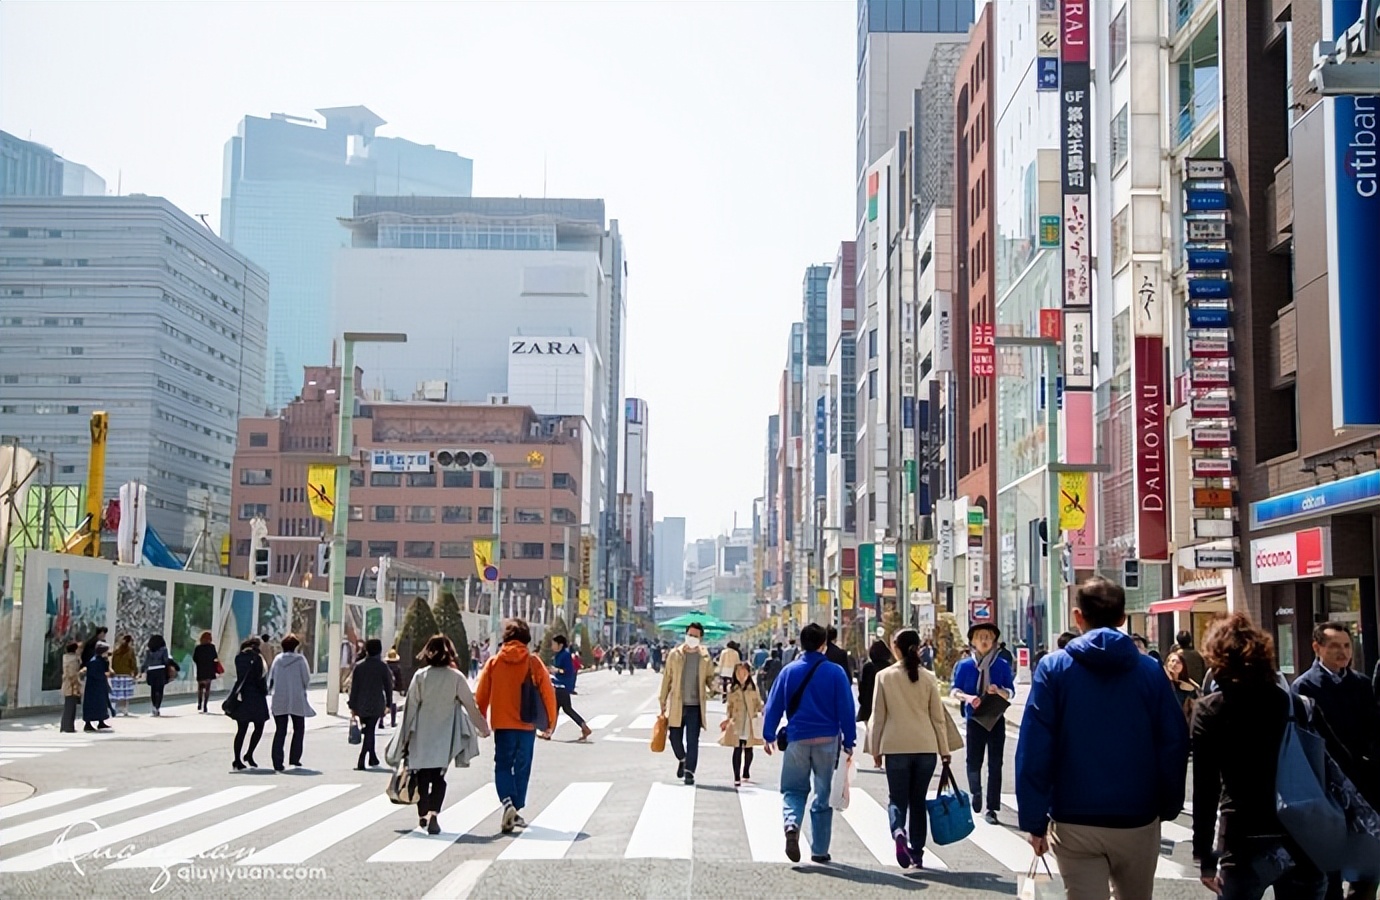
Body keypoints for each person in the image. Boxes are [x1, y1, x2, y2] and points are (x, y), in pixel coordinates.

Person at [1016, 576, 1189, 900]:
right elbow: (1173, 742)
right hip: (1137, 817)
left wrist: (1034, 820)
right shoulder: (1150, 671)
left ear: (1077, 616)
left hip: (1074, 818)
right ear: (1123, 619)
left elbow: (1035, 747)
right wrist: (1166, 806)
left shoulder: (1054, 669)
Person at [1192, 613, 1329, 900]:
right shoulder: (1292, 703)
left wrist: (1204, 855)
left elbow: (1206, 788)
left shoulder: (1210, 710)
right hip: (1301, 832)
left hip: (1244, 835)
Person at [1290, 621, 1380, 900]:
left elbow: (1374, 729)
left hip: (1363, 788)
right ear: (1317, 648)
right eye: (1334, 646)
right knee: (1329, 875)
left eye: (1346, 646)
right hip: (1325, 790)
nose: (1342, 652)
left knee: (1367, 871)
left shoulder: (1361, 684)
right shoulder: (1304, 687)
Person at [762, 622, 857, 864]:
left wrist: (769, 735)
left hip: (797, 739)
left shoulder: (789, 671)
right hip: (828, 740)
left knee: (793, 789)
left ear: (801, 644)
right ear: (824, 645)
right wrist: (849, 740)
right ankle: (819, 850)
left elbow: (773, 705)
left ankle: (792, 824)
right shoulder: (835, 672)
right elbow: (846, 709)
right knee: (822, 794)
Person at [866, 628, 952, 871]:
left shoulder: (884, 676)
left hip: (896, 747)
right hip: (926, 747)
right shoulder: (928, 677)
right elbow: (938, 719)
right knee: (918, 801)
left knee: (897, 799)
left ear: (896, 648)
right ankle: (917, 854)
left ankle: (898, 832)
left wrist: (875, 749)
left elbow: (878, 717)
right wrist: (944, 751)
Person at [390, 635, 489, 835]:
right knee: (438, 777)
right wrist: (483, 727)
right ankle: (434, 814)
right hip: (445, 738)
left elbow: (410, 709)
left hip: (421, 736)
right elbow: (471, 705)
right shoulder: (456, 677)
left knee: (422, 778)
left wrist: (404, 738)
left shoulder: (420, 676)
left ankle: (423, 816)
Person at [476, 618, 555, 834]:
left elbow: (481, 695)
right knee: (522, 766)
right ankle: (516, 806)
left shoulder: (493, 663)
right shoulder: (533, 662)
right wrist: (550, 723)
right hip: (527, 724)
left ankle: (508, 803)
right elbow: (548, 693)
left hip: (502, 725)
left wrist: (480, 720)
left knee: (502, 765)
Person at [950, 622, 1015, 824]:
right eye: (980, 637)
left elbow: (1011, 691)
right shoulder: (964, 665)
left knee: (996, 764)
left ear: (994, 641)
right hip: (974, 718)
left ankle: (992, 808)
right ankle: (975, 792)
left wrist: (1000, 691)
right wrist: (968, 698)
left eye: (988, 637)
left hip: (995, 717)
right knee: (973, 761)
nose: (985, 641)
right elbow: (954, 690)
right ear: (973, 642)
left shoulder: (1001, 664)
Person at [659, 622, 718, 785]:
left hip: (695, 705)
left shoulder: (704, 657)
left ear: (701, 638)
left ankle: (689, 771)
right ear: (686, 635)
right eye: (690, 635)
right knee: (674, 737)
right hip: (677, 703)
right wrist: (662, 699)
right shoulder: (674, 654)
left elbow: (710, 677)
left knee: (693, 740)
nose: (692, 638)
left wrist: (713, 688)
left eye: (696, 636)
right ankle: (682, 759)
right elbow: (667, 678)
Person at [267, 633, 313, 771]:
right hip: (297, 698)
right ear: (295, 646)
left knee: (280, 730)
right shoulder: (300, 660)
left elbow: (271, 679)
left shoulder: (277, 660)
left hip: (279, 698)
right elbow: (306, 679)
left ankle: (277, 761)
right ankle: (295, 758)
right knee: (299, 729)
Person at [349, 638, 394, 770]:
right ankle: (362, 757)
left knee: (369, 730)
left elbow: (354, 688)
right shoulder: (382, 666)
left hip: (361, 703)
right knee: (370, 730)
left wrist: (352, 705)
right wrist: (389, 704)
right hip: (376, 702)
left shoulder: (359, 666)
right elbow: (388, 687)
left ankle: (372, 757)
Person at [719, 661, 764, 787]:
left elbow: (758, 703)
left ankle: (746, 771)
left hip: (749, 722)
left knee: (749, 749)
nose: (741, 675)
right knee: (737, 749)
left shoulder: (753, 688)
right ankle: (736, 776)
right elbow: (729, 706)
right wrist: (727, 719)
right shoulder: (732, 689)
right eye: (738, 672)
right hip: (737, 722)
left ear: (749, 673)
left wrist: (761, 709)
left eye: (744, 672)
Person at [229, 637, 270, 770]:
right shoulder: (257, 658)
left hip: (242, 696)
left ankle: (237, 759)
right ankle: (249, 753)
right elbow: (260, 678)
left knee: (241, 729)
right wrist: (265, 691)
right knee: (259, 726)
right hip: (256, 696)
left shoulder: (239, 657)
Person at [545, 634, 592, 742]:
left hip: (561, 686)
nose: (552, 646)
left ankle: (549, 732)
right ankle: (584, 727)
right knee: (566, 709)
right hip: (559, 685)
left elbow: (567, 671)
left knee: (555, 709)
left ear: (560, 645)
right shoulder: (558, 655)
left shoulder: (565, 655)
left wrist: (556, 671)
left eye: (554, 644)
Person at [856, 639, 892, 724]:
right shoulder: (890, 668)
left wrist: (862, 702)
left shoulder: (868, 667)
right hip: (886, 708)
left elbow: (863, 688)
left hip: (869, 709)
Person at [80, 641, 113, 732]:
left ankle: (101, 721)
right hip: (93, 687)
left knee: (101, 704)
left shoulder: (101, 660)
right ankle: (88, 723)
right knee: (93, 704)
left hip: (99, 686)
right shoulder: (94, 661)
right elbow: (95, 674)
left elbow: (105, 669)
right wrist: (103, 676)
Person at [1164, 650, 1201, 723]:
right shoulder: (1162, 682)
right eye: (1172, 661)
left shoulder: (1188, 686)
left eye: (1178, 662)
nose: (1174, 664)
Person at [142, 634, 172, 717]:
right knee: (160, 689)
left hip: (151, 670)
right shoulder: (164, 649)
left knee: (153, 689)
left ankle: (153, 706)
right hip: (161, 670)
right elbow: (166, 660)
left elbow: (146, 661)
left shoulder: (149, 650)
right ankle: (157, 707)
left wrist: (142, 669)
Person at [109, 634, 137, 717]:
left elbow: (113, 662)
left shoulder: (116, 650)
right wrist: (135, 672)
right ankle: (124, 709)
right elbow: (133, 662)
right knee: (125, 693)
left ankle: (113, 708)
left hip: (116, 674)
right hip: (126, 674)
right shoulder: (130, 651)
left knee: (115, 692)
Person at [192, 630, 219, 714]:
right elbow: (215, 656)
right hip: (209, 670)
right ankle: (205, 706)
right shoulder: (212, 647)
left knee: (200, 687)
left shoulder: (198, 648)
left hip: (201, 669)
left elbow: (194, 658)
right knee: (207, 689)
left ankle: (199, 703)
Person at [60, 641, 82, 733]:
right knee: (71, 707)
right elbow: (73, 674)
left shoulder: (66, 658)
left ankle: (65, 725)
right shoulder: (73, 660)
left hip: (66, 684)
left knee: (68, 706)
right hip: (72, 686)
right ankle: (68, 726)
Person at [384, 648, 403, 728]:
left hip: (385, 687)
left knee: (384, 704)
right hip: (395, 688)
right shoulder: (397, 667)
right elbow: (399, 679)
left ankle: (381, 722)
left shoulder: (385, 667)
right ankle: (393, 721)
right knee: (393, 704)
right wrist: (401, 689)